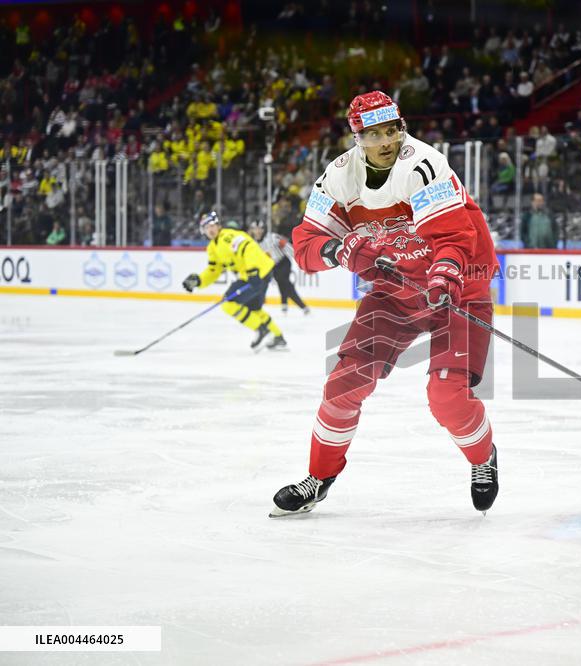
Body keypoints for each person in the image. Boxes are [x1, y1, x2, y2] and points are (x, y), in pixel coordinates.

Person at [270, 91, 500, 517]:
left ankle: (483, 458)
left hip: (459, 286)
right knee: (342, 386)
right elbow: (305, 245)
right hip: (395, 291)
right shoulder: (339, 176)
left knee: (446, 396)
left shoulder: (423, 164)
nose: (386, 141)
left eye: (392, 130)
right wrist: (338, 250)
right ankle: (319, 477)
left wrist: (445, 274)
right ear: (357, 138)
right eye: (374, 134)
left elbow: (454, 237)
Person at [181, 211, 287, 351]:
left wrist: (253, 271)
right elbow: (214, 271)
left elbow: (248, 247)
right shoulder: (213, 248)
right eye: (206, 227)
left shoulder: (227, 237)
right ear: (203, 231)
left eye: (212, 225)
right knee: (254, 309)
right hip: (258, 273)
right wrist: (199, 281)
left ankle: (261, 329)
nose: (210, 229)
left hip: (256, 273)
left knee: (228, 303)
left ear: (218, 225)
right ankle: (278, 337)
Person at [248, 220, 310, 315]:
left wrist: (300, 260)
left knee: (284, 283)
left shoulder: (272, 237)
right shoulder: (253, 243)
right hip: (272, 266)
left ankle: (301, 306)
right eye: (255, 229)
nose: (257, 231)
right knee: (281, 283)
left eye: (260, 229)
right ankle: (285, 304)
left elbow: (287, 246)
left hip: (283, 263)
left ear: (263, 229)